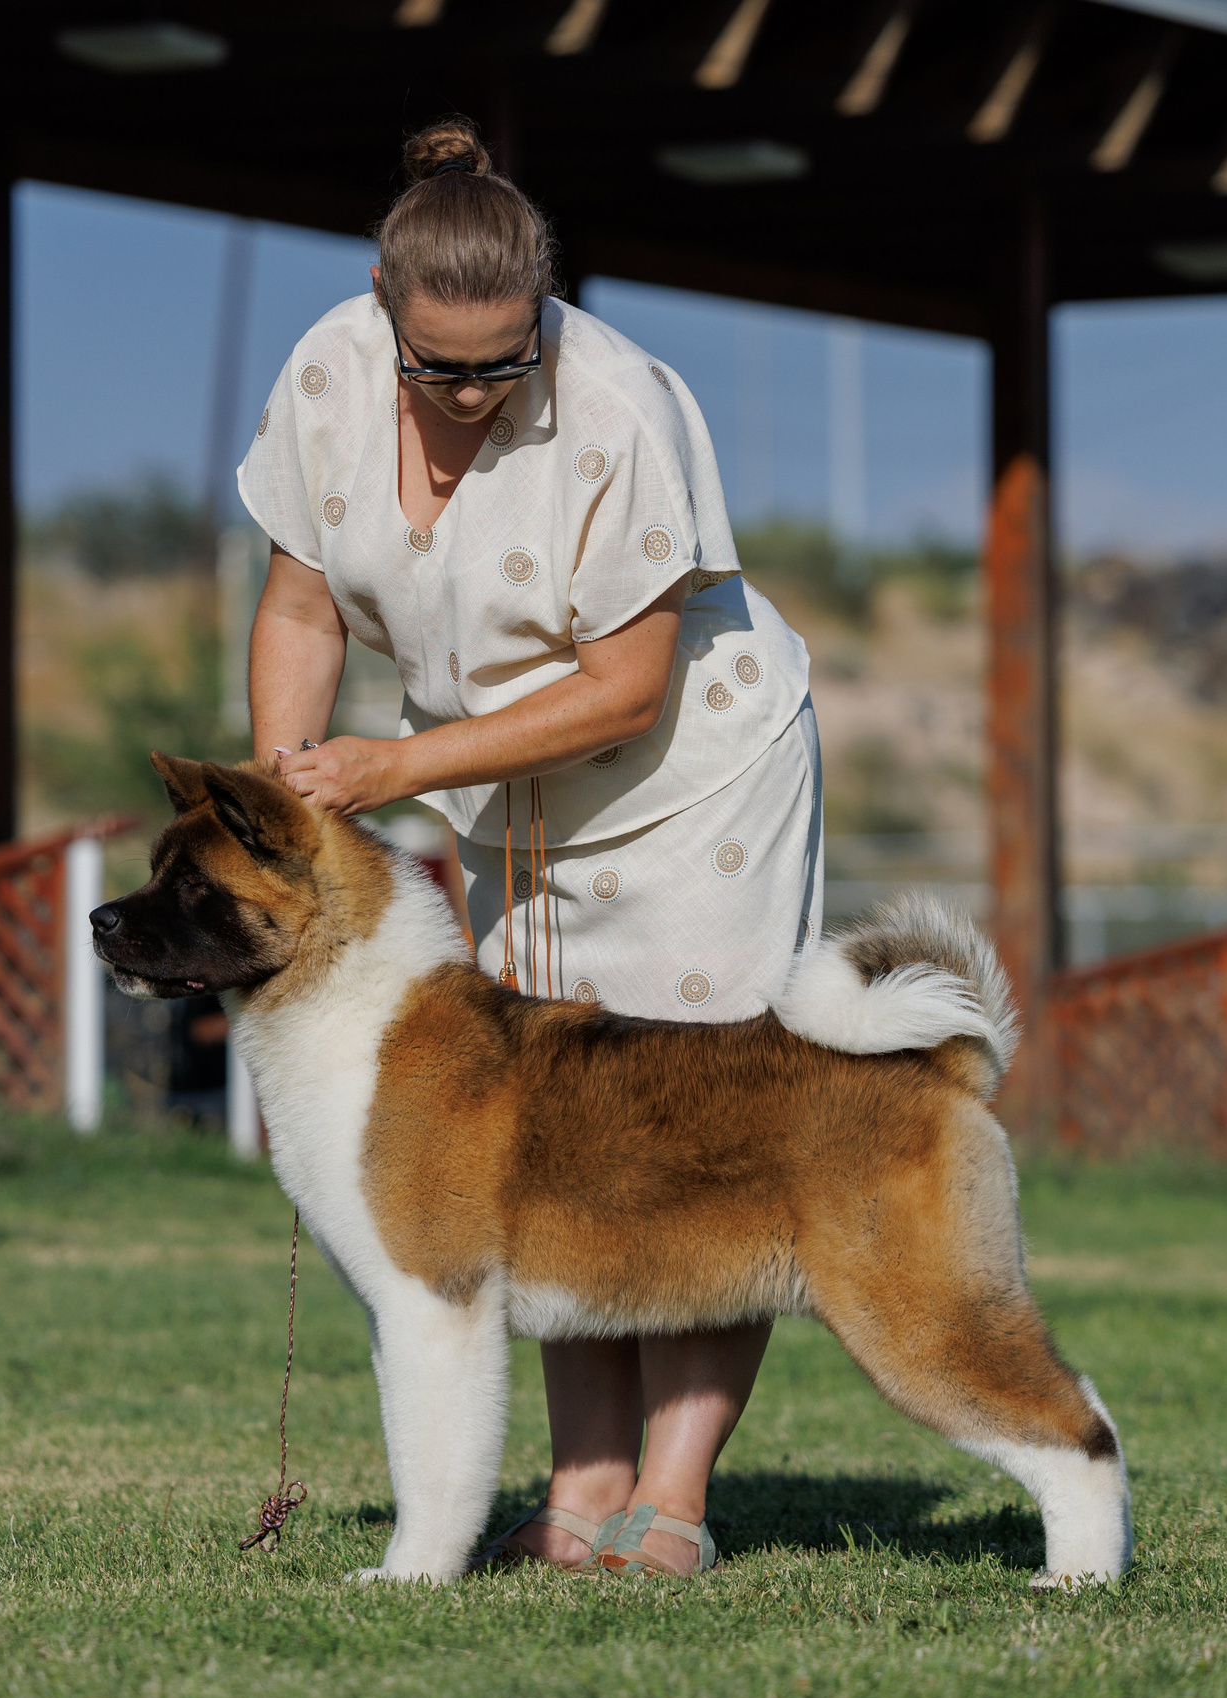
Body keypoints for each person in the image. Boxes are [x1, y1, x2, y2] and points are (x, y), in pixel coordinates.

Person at [235, 115, 819, 1579]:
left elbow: (627, 687)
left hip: (697, 779)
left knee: (692, 1131)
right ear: (384, 304)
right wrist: (286, 807)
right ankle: (579, 1488)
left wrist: (395, 765)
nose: (483, 390)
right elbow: (303, 610)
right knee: (541, 1136)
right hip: (511, 792)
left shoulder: (620, 406)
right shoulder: (323, 377)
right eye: (446, 367)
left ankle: (672, 1498)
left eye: (510, 359)